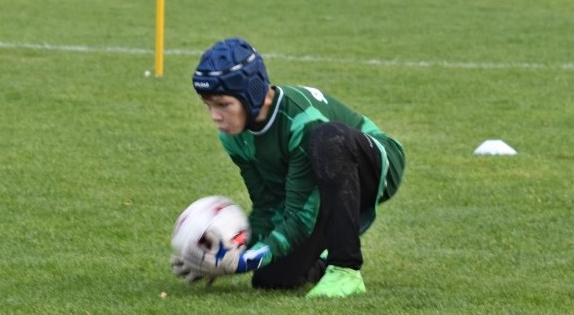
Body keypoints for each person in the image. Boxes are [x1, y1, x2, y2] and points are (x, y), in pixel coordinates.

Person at [172, 37, 405, 297]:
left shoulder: (302, 119)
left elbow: (299, 217)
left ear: (253, 93)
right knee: (272, 278)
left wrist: (245, 260)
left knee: (327, 139)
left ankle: (345, 268)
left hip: (377, 163)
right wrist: (221, 252)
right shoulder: (233, 137)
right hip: (324, 173)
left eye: (223, 104)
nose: (215, 116)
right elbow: (267, 204)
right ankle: (325, 259)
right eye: (208, 105)